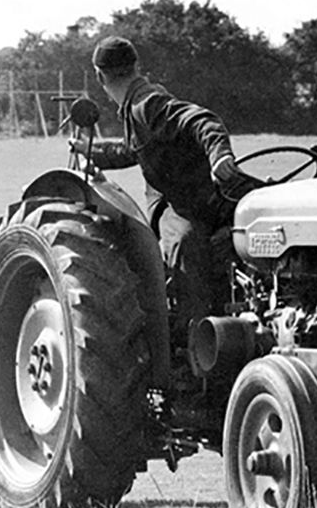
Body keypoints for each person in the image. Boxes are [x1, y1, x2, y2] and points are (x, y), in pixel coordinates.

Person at [74, 36, 247, 340]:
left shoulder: (146, 104)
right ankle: (194, 339)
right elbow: (133, 149)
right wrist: (92, 152)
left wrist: (219, 155)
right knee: (184, 242)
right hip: (185, 204)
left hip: (200, 199)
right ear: (136, 66)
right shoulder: (136, 105)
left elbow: (202, 120)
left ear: (100, 77)